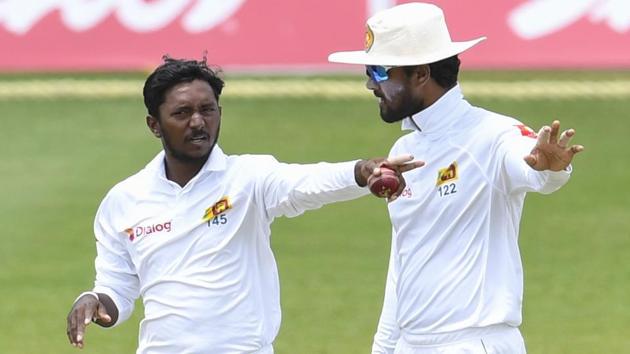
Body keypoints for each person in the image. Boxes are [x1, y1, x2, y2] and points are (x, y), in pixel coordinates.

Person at [65, 56, 424, 353]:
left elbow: (306, 184)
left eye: (207, 110)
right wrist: (95, 301)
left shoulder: (248, 177)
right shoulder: (124, 200)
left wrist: (361, 172)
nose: (197, 122)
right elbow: (118, 288)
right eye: (182, 113)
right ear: (154, 125)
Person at [328, 3, 584, 353]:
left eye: (379, 70)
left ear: (421, 73)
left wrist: (550, 168)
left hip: (474, 342)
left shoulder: (493, 133)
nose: (370, 84)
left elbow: (527, 162)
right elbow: (404, 259)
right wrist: (384, 347)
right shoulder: (405, 147)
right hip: (410, 343)